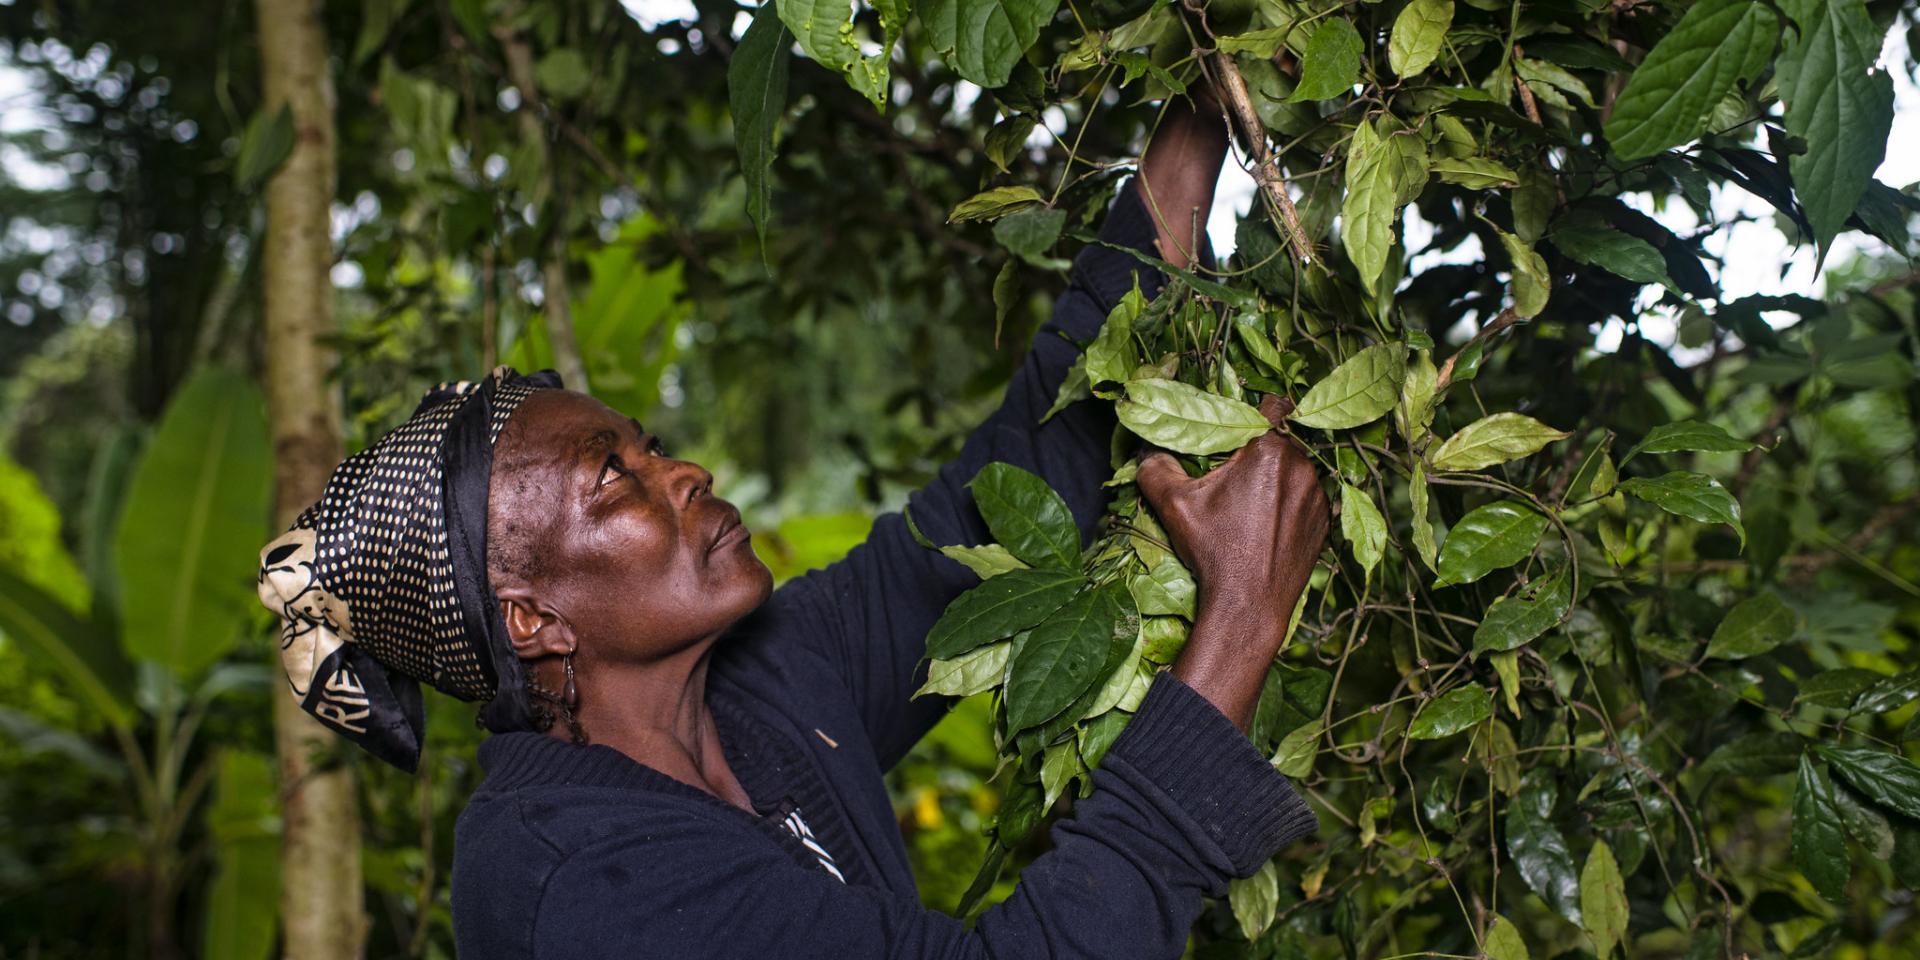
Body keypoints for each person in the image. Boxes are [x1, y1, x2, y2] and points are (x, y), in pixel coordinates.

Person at [255, 92, 1330, 958]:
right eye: (612, 481)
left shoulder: (763, 681)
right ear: (532, 617)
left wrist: (1194, 114)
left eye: (647, 444)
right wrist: (1238, 624)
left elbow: (990, 509)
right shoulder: (566, 877)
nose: (683, 472)